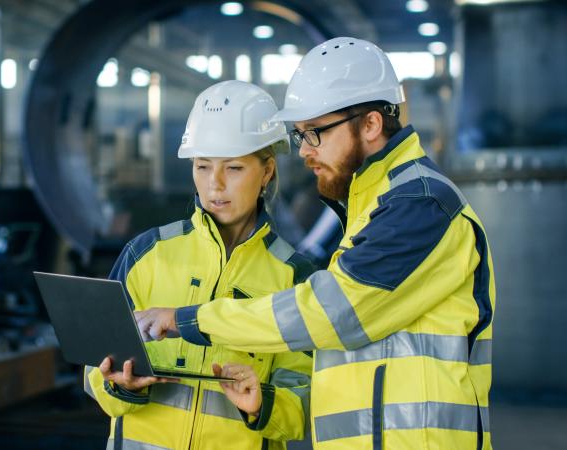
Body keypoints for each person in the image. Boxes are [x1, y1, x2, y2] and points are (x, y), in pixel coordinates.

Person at [136, 37, 496, 450]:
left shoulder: (420, 204)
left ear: (371, 125)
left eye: (315, 133)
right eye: (300, 135)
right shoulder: (374, 205)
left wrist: (191, 320)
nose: (305, 152)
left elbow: (330, 313)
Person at [83, 80, 317, 450]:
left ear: (267, 172)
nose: (215, 184)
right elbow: (95, 367)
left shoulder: (294, 277)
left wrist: (261, 405)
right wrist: (116, 384)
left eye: (235, 168)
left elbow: (305, 402)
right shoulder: (146, 254)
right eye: (203, 166)